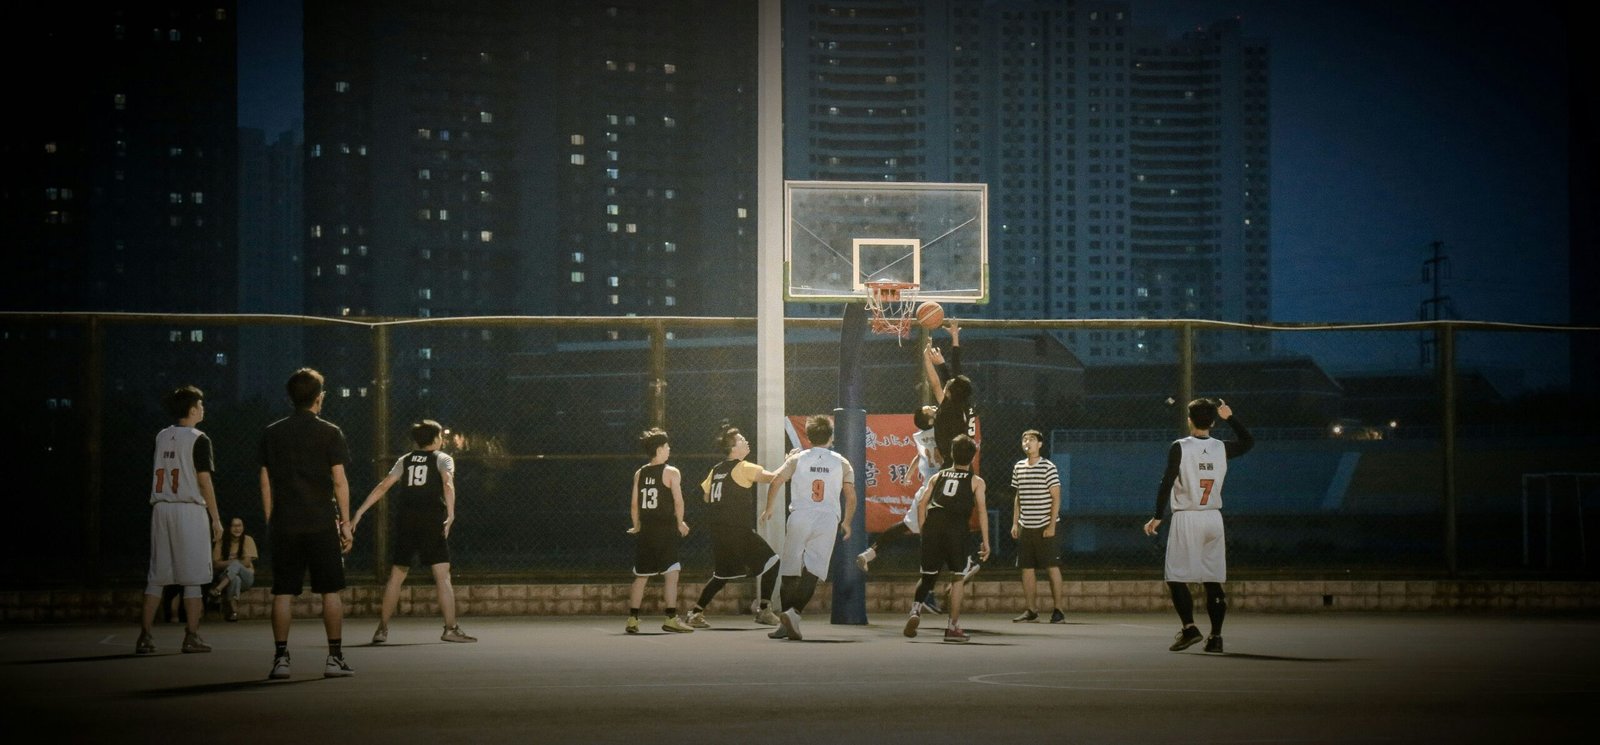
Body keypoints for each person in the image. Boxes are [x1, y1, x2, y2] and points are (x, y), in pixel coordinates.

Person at [260, 368, 356, 679]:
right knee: (330, 591)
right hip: (320, 522)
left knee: (283, 592)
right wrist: (346, 523)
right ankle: (334, 658)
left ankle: (280, 659)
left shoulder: (272, 432)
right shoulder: (330, 432)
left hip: (285, 522)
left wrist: (270, 520)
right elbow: (340, 482)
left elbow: (265, 482)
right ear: (319, 397)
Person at [1143, 398, 1254, 654]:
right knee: (1212, 579)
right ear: (1214, 421)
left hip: (1187, 516)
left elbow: (1166, 481)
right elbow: (1248, 442)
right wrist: (1231, 417)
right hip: (1213, 517)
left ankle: (1190, 627)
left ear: (1189, 419)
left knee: (1175, 576)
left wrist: (1158, 515)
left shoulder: (1180, 447)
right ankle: (1216, 637)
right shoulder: (1221, 447)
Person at [351, 419, 476, 644]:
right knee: (442, 575)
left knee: (397, 575)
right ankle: (451, 628)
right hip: (431, 521)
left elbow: (384, 486)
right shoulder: (443, 458)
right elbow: (448, 484)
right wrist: (452, 513)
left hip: (406, 521)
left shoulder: (405, 460)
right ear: (436, 438)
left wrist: (360, 511)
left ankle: (382, 629)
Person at [137, 385, 224, 655]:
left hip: (162, 508)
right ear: (191, 409)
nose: (203, 408)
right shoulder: (199, 438)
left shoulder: (162, 435)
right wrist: (216, 518)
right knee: (194, 577)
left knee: (157, 575)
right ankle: (192, 636)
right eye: (200, 404)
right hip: (188, 509)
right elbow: (203, 480)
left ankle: (145, 636)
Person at [761, 415, 858, 641]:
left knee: (790, 568)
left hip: (800, 514)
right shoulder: (842, 462)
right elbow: (851, 496)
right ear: (831, 437)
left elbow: (776, 481)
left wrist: (769, 508)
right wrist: (847, 522)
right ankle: (793, 614)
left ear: (809, 436)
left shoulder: (798, 458)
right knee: (813, 569)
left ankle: (786, 618)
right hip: (827, 518)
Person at [684, 424, 783, 628]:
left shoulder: (717, 469)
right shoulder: (743, 467)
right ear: (733, 448)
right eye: (741, 439)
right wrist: (790, 460)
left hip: (720, 532)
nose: (746, 441)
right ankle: (764, 609)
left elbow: (705, 496)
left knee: (722, 576)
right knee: (773, 562)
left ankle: (695, 613)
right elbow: (775, 478)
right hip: (738, 531)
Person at [903, 435, 988, 642]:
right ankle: (952, 627)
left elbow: (923, 503)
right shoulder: (976, 481)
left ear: (951, 454)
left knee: (927, 574)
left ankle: (915, 610)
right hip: (956, 529)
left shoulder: (938, 476)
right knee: (958, 577)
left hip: (933, 525)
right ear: (972, 457)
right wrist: (986, 541)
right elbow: (982, 511)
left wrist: (924, 529)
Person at [626, 428, 694, 634]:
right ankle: (671, 618)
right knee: (672, 573)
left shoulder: (640, 472)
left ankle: (632, 619)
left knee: (641, 576)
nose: (669, 449)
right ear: (659, 449)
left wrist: (636, 525)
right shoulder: (671, 472)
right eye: (666, 446)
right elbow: (678, 501)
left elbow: (634, 504)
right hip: (664, 529)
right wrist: (680, 522)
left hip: (646, 530)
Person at [1010, 429, 1066, 624]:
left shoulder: (1048, 467)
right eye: (1024, 439)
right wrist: (1015, 522)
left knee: (1052, 567)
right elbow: (1017, 496)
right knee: (1026, 568)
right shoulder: (1018, 467)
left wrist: (1051, 525)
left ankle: (1058, 610)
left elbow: (1056, 496)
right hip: (1026, 525)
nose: (1027, 442)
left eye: (1032, 439)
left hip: (1045, 526)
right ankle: (1031, 610)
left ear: (1040, 444)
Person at [210, 517, 258, 622]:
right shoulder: (221, 541)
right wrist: (234, 562)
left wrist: (231, 562)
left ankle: (218, 589)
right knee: (235, 579)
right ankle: (234, 612)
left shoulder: (247, 539)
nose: (237, 529)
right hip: (226, 577)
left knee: (236, 565)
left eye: (239, 525)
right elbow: (216, 564)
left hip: (247, 577)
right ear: (228, 528)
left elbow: (246, 563)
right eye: (234, 526)